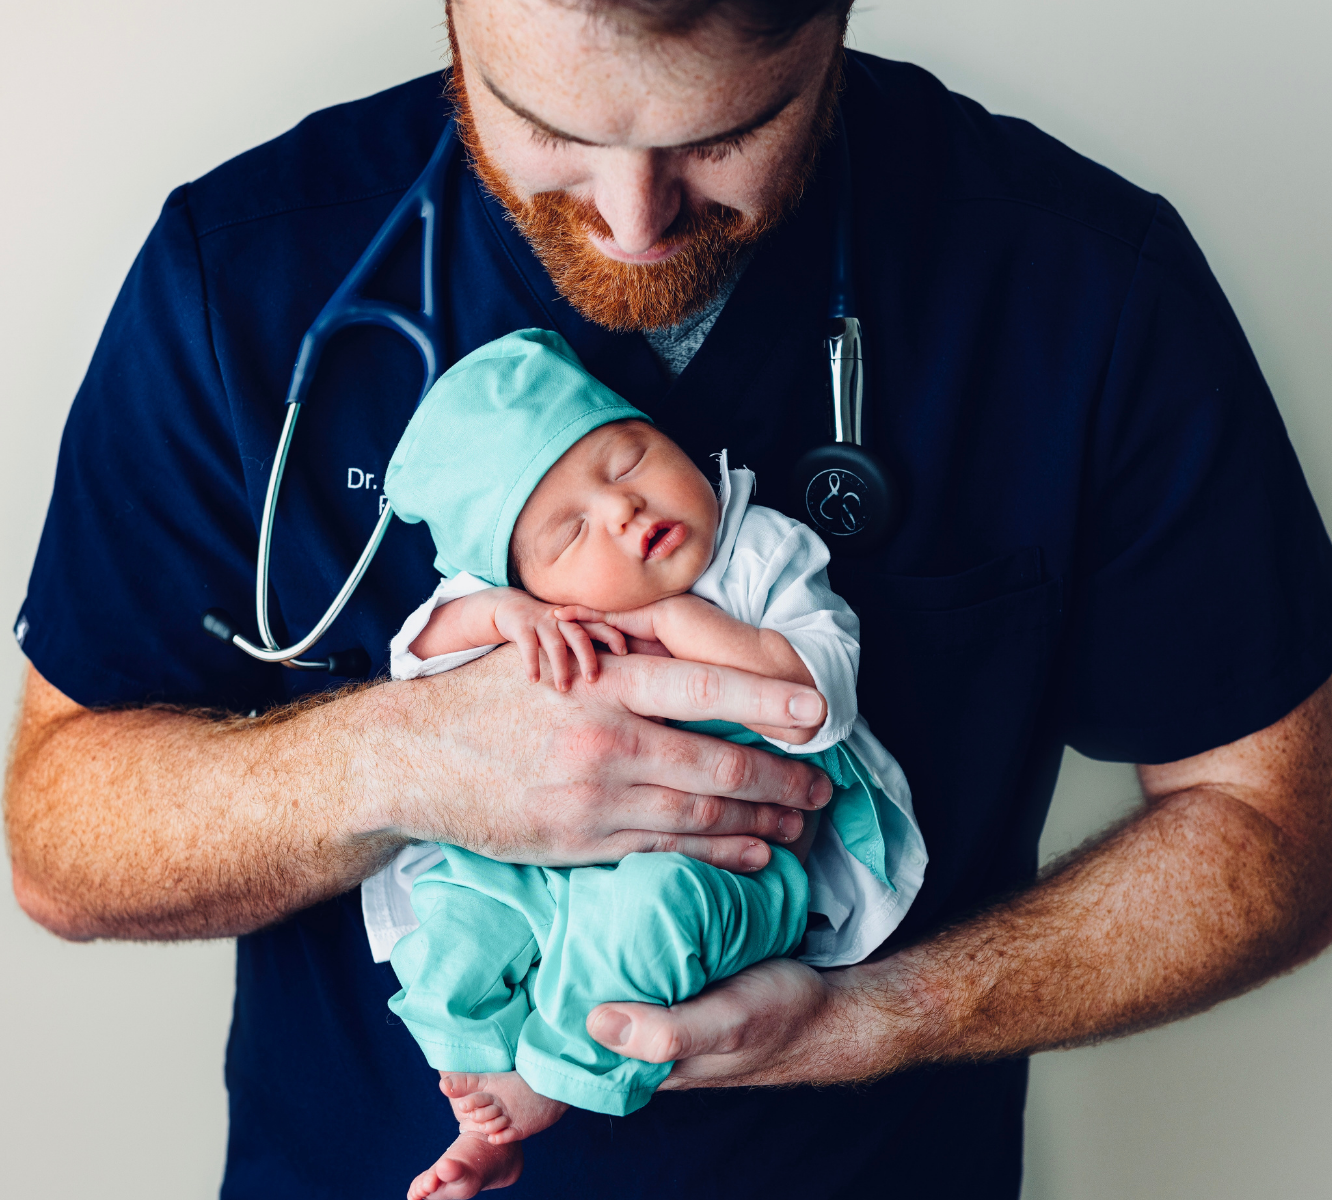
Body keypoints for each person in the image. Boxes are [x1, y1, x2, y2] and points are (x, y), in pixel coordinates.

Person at [3, 1, 1332, 1196]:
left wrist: (870, 1015)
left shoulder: (1079, 288)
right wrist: (400, 759)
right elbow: (60, 840)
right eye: (545, 125)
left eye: (725, 136)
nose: (633, 219)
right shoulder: (241, 276)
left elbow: (1272, 831)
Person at [358, 327, 924, 1197]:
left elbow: (821, 697)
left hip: (723, 865)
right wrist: (502, 619)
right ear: (524, 578)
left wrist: (697, 630)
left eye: (628, 462)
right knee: (454, 913)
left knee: (646, 917)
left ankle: (552, 1081)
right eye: (570, 531)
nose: (620, 510)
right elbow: (418, 656)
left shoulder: (759, 554)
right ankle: (471, 1072)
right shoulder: (518, 603)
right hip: (543, 867)